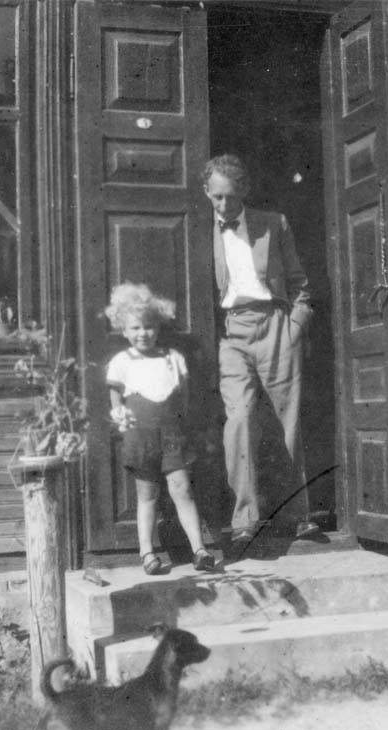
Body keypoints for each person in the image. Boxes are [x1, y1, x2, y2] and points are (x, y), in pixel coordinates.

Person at [204, 154, 321, 555]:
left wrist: (295, 326)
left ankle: (297, 515)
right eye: (217, 197)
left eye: (231, 197)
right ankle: (244, 520)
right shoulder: (198, 228)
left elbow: (300, 283)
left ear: (245, 192)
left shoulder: (274, 223)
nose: (224, 205)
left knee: (288, 419)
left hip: (275, 326)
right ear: (206, 192)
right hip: (230, 333)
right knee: (239, 420)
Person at [105, 283, 216, 575]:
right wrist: (120, 415)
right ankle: (147, 552)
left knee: (182, 489)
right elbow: (116, 400)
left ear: (158, 328)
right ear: (124, 330)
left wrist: (182, 425)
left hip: (172, 436)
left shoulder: (173, 358)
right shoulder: (121, 362)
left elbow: (185, 397)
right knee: (147, 495)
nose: (143, 333)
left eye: (149, 327)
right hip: (141, 437)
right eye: (135, 328)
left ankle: (200, 549)